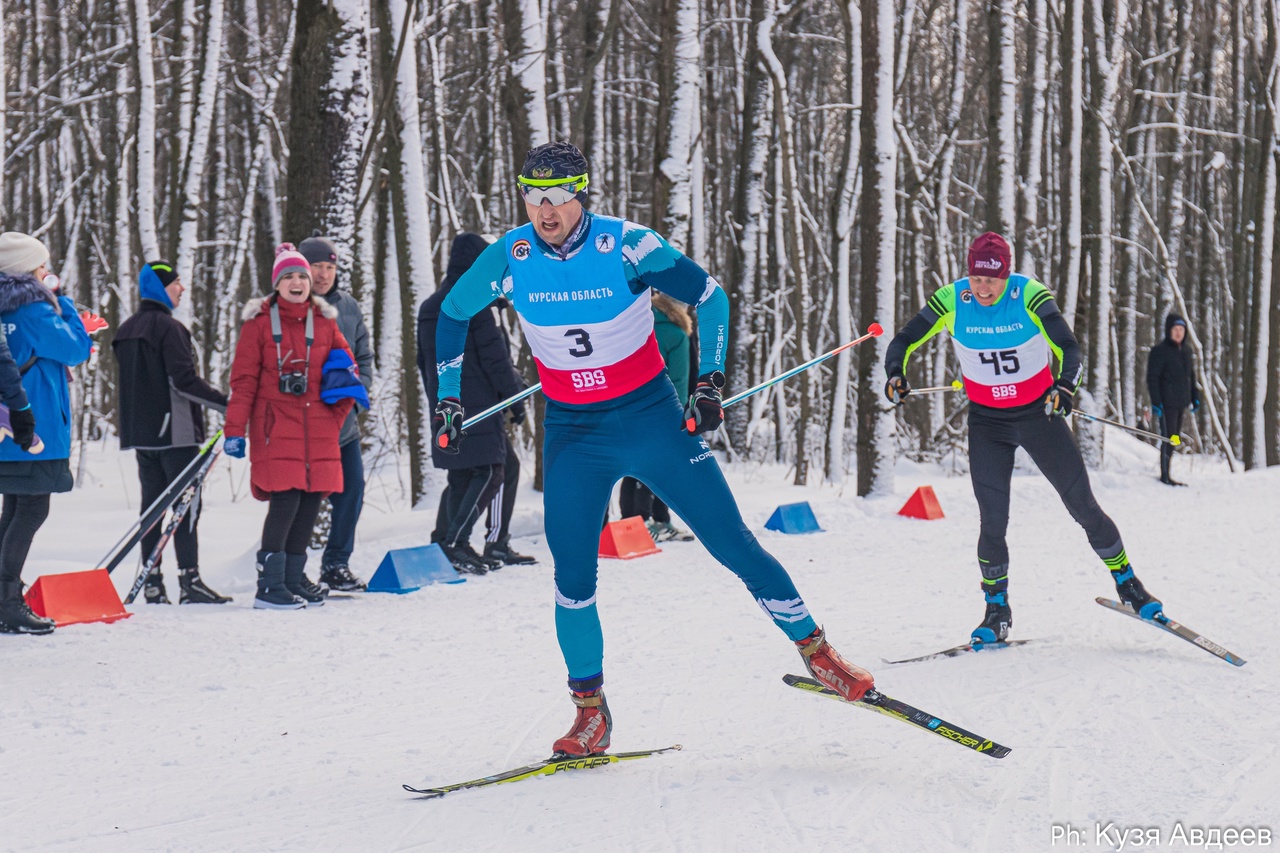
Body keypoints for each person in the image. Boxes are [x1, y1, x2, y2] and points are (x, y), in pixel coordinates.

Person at [433, 141, 874, 757]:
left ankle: (818, 653)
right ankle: (591, 713)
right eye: (532, 198)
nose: (544, 210)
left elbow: (711, 297)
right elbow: (451, 315)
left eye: (556, 197)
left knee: (733, 544)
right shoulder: (512, 255)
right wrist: (448, 398)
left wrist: (709, 382)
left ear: (578, 194)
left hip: (651, 420)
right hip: (575, 434)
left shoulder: (627, 244)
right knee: (572, 579)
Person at [883, 231, 1164, 644]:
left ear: (1006, 276)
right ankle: (996, 610)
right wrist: (896, 374)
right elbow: (904, 340)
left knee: (1082, 506)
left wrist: (1064, 386)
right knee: (992, 521)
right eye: (976, 279)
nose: (982, 288)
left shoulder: (1029, 295)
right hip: (987, 424)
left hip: (1038, 415)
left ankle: (1128, 582)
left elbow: (1069, 347)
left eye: (991, 281)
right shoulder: (951, 300)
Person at [223, 245, 357, 610]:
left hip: (319, 429)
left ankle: (294, 578)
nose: (297, 282)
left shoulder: (326, 321)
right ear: (277, 284)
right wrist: (234, 430)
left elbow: (348, 374)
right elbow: (244, 381)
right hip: (275, 427)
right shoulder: (259, 324)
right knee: (286, 497)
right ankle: (269, 585)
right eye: (289, 277)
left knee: (312, 499)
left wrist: (335, 418)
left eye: (301, 276)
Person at [112, 260, 231, 604]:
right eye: (176, 283)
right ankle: (189, 581)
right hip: (176, 435)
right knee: (186, 505)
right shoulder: (169, 329)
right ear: (160, 288)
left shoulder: (126, 329)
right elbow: (184, 382)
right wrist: (226, 404)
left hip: (142, 437)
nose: (181, 288)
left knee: (152, 507)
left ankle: (152, 583)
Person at [418, 232, 533, 573]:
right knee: (488, 471)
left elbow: (421, 361)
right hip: (480, 404)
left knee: (466, 474)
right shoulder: (474, 305)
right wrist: (515, 398)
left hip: (447, 404)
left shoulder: (430, 306)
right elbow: (495, 360)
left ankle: (465, 540)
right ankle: (455, 542)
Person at [0, 232, 93, 634]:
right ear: (25, 268)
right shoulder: (34, 309)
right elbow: (75, 349)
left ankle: (4, 597)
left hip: (9, 427)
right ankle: (7, 601)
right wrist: (68, 307)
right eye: (41, 265)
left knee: (15, 508)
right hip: (37, 426)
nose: (46, 271)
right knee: (33, 508)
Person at [299, 232, 375, 590]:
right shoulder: (292, 305)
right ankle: (289, 568)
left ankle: (336, 564)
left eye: (329, 267)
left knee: (352, 491)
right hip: (306, 425)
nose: (324, 274)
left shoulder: (348, 305)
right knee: (304, 496)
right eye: (317, 266)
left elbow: (364, 357)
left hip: (344, 423)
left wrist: (356, 397)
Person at [618, 292, 695, 543]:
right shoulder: (677, 335)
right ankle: (650, 523)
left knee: (633, 466)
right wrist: (679, 417)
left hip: (628, 406)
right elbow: (679, 380)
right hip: (662, 411)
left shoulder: (636, 327)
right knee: (660, 467)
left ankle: (630, 524)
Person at [1145, 313, 1200, 486]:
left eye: (1181, 330)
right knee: (1168, 438)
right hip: (1166, 403)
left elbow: (1191, 376)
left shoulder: (1186, 351)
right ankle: (1165, 476)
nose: (1178, 333)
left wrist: (1195, 397)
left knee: (1175, 439)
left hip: (1180, 402)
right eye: (1175, 329)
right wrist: (1156, 402)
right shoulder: (1159, 351)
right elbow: (1152, 378)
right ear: (1169, 331)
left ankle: (1168, 473)